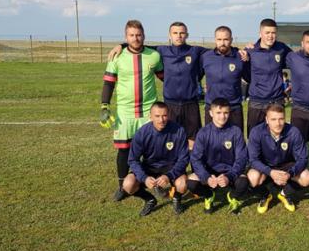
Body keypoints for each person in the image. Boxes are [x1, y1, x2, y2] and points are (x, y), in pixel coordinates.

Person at [107, 22, 206, 150]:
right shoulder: (161, 50)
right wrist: (121, 45)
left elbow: (217, 52)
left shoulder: (196, 51)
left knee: (193, 142)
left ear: (187, 34)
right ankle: (173, 164)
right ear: (169, 35)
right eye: (175, 33)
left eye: (182, 33)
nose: (179, 36)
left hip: (191, 104)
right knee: (171, 141)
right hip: (170, 104)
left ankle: (193, 164)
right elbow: (137, 45)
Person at [100, 20, 163, 202]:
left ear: (144, 35)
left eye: (139, 35)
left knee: (151, 151)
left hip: (148, 112)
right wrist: (104, 105)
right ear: (126, 37)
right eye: (131, 35)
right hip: (125, 113)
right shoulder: (117, 57)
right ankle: (122, 187)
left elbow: (165, 77)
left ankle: (155, 184)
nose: (135, 38)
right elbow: (109, 83)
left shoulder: (154, 56)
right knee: (124, 151)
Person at [122, 102, 189, 216]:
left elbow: (184, 159)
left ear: (168, 115)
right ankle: (149, 199)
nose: (161, 120)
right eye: (157, 116)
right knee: (128, 184)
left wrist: (169, 176)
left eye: (164, 116)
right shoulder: (142, 133)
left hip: (170, 167)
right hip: (150, 167)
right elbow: (133, 160)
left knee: (182, 184)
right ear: (150, 116)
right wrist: (144, 178)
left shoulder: (179, 130)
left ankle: (176, 198)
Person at [187, 98, 249, 214]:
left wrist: (229, 176)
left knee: (243, 182)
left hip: (229, 171)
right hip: (210, 173)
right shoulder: (203, 133)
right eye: (218, 113)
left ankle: (232, 196)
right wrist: (206, 177)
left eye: (226, 113)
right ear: (211, 113)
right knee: (191, 183)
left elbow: (241, 158)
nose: (222, 116)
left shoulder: (236, 131)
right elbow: (195, 159)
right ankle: (209, 195)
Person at [247, 104, 309, 214]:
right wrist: (270, 172)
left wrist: (290, 173)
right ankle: (265, 195)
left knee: (306, 178)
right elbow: (253, 160)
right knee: (252, 177)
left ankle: (284, 194)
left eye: (281, 119)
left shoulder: (293, 132)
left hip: (286, 166)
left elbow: (303, 159)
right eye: (273, 119)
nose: (278, 123)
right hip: (266, 166)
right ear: (267, 120)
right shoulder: (256, 132)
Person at [243, 18, 293, 135]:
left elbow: (297, 60)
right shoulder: (250, 51)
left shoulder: (281, 48)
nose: (270, 36)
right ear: (260, 33)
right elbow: (245, 75)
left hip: (277, 101)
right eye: (267, 33)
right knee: (255, 137)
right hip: (257, 103)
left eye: (273, 33)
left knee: (277, 136)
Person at [199, 26, 250, 131]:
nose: (222, 43)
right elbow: (197, 76)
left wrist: (248, 58)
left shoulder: (240, 56)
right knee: (211, 139)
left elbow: (249, 78)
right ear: (215, 40)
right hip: (212, 107)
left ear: (231, 40)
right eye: (219, 39)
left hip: (233, 108)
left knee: (235, 139)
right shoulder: (206, 57)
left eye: (226, 39)